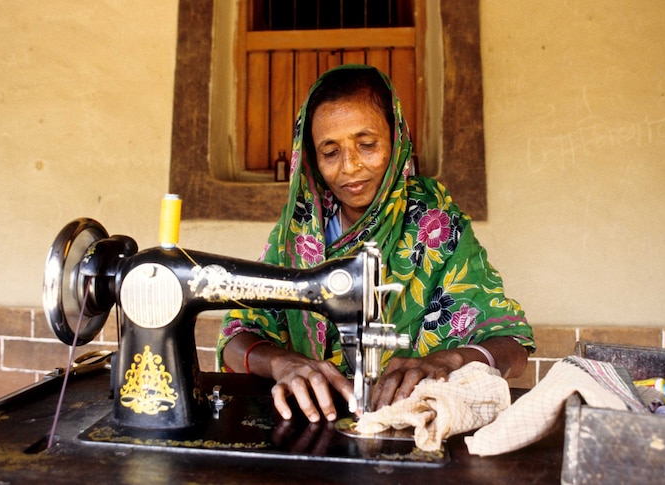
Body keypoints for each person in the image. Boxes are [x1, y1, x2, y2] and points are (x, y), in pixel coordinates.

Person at [218, 65, 534, 423]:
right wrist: (281, 363)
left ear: (396, 140)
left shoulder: (436, 224)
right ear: (311, 157)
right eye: (330, 152)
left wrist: (449, 360)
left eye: (367, 145)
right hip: (314, 423)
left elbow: (511, 346)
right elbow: (237, 336)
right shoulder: (298, 232)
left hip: (417, 422)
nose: (350, 167)